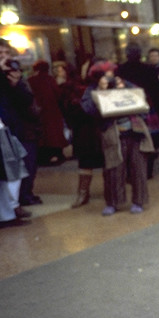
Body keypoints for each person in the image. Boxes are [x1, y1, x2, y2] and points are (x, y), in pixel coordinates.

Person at [81, 61, 154, 216]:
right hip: (112, 134)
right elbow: (87, 109)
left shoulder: (125, 83)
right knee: (113, 169)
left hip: (135, 132)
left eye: (110, 73)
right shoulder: (92, 89)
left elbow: (142, 100)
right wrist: (101, 92)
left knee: (138, 168)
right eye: (103, 75)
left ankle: (138, 201)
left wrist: (124, 90)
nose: (109, 77)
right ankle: (113, 202)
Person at [0, 37, 33, 228]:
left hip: (5, 127)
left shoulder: (10, 75)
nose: (3, 58)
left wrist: (16, 84)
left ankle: (7, 214)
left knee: (4, 174)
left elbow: (25, 102)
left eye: (6, 53)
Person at [57, 60, 104, 208]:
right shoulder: (77, 87)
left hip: (89, 130)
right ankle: (84, 193)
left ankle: (85, 194)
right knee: (88, 161)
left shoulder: (78, 88)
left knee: (94, 161)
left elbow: (74, 110)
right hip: (87, 130)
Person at [116, 42, 159, 178]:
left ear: (127, 54)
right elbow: (157, 92)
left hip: (127, 109)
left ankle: (131, 172)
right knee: (149, 139)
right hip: (146, 107)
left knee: (130, 140)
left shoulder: (120, 70)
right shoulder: (150, 69)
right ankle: (148, 170)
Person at [29, 60, 68, 169]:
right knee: (54, 134)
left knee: (43, 135)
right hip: (53, 111)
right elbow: (58, 95)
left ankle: (44, 156)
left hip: (39, 112)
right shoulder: (50, 80)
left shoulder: (31, 80)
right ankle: (57, 154)